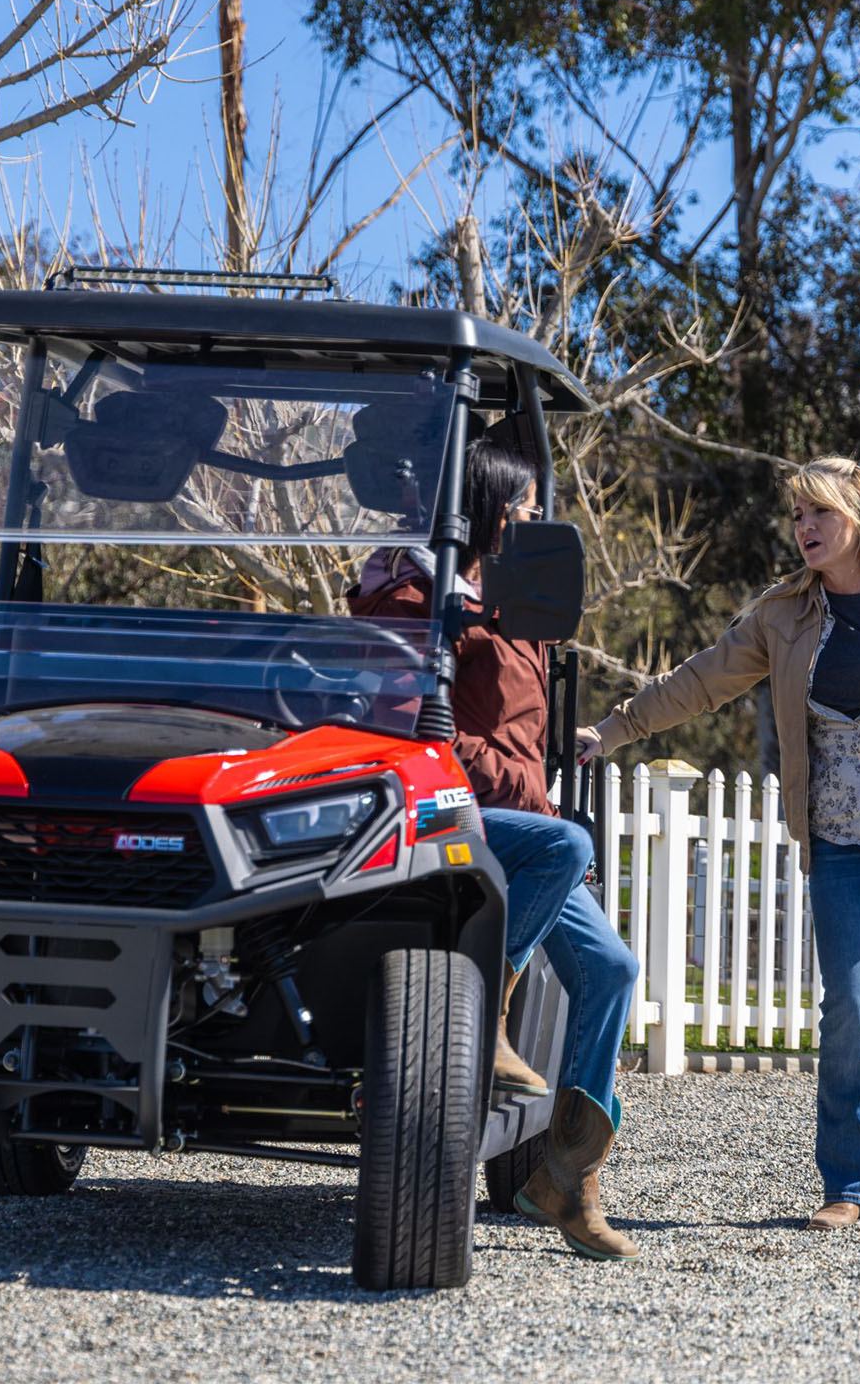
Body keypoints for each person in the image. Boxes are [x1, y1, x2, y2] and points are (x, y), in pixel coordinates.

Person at [576, 456, 860, 1234]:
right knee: (851, 1004)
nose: (805, 529)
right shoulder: (783, 615)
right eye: (799, 516)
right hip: (840, 838)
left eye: (821, 515)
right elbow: (703, 678)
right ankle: (849, 1184)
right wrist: (615, 728)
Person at [348, 438, 641, 1261]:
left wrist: (541, 811)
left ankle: (566, 1181)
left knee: (612, 969)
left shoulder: (512, 601)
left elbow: (522, 735)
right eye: (523, 510)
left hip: (516, 821)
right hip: (446, 817)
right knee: (561, 841)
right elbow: (415, 730)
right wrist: (537, 812)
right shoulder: (417, 594)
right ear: (484, 509)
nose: (536, 524)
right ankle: (486, 1025)